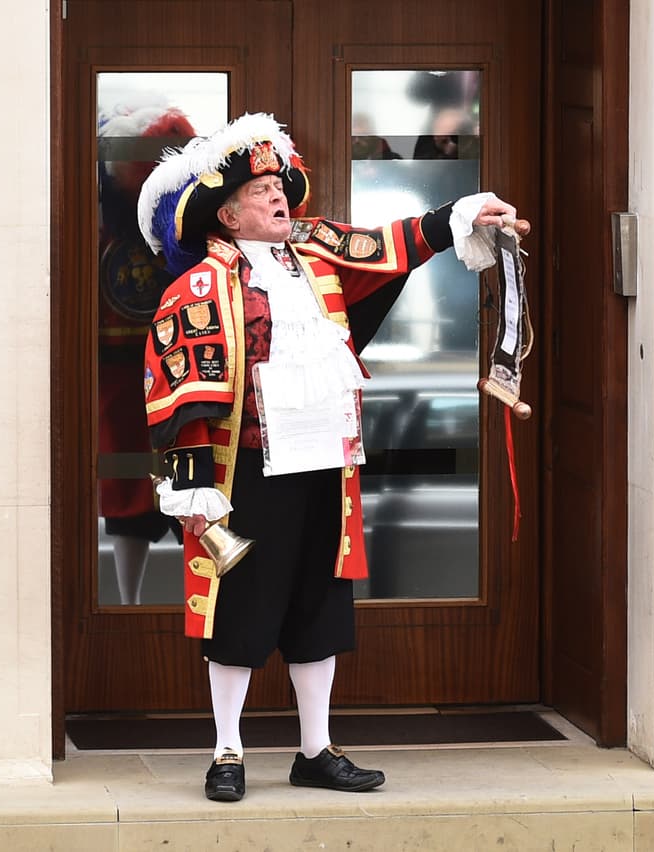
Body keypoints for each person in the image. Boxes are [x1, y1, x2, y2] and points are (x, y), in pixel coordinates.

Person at [137, 113, 525, 802]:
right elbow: (182, 394)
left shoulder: (316, 252)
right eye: (260, 190)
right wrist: (193, 486)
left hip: (326, 461)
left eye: (280, 183)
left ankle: (315, 749)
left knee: (320, 605)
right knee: (241, 609)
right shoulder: (198, 287)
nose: (279, 194)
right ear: (226, 214)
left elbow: (390, 244)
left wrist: (461, 213)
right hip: (246, 470)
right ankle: (227, 751)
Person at [95, 102, 194, 603]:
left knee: (194, 488)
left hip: (185, 370)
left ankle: (199, 602)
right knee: (127, 499)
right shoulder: (101, 228)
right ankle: (126, 601)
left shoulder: (184, 228)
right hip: (117, 378)